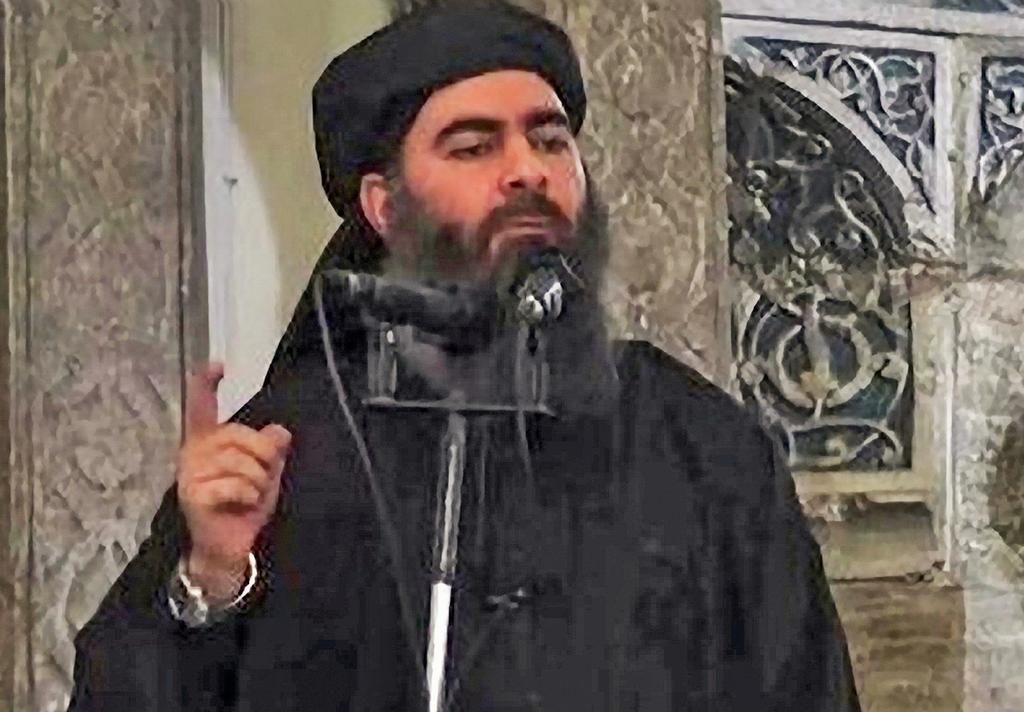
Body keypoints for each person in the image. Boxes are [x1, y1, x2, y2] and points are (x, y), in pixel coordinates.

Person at [67, 1, 861, 710]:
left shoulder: (698, 443)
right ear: (384, 206)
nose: (528, 170)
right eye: (475, 146)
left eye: (550, 140)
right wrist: (211, 578)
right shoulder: (290, 452)